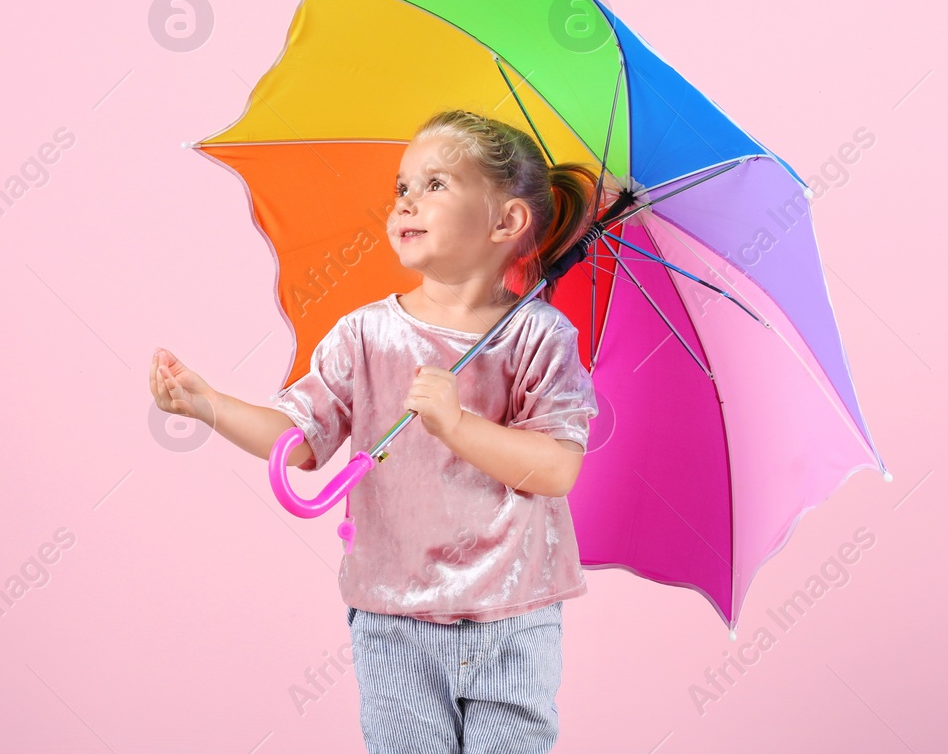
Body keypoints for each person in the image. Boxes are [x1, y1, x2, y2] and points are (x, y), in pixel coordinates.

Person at [150, 109, 611, 753]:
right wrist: (211, 405)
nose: (406, 201)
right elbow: (301, 440)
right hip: (395, 616)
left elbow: (558, 467)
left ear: (505, 222)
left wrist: (456, 423)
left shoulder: (540, 337)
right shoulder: (366, 335)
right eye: (402, 187)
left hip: (514, 616)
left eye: (436, 185)